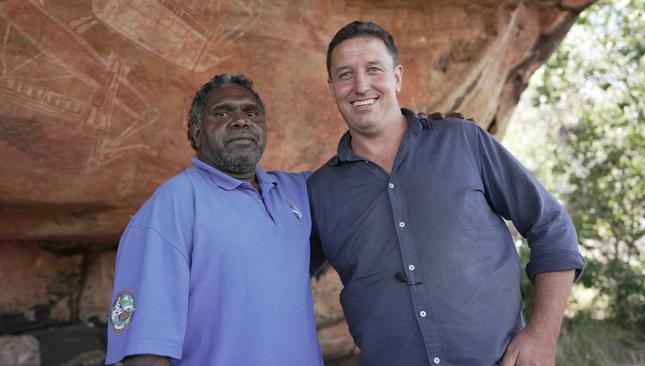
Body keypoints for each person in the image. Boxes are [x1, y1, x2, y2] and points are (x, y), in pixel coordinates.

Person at [308, 21, 585, 366]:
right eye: (345, 74)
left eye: (373, 69)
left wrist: (542, 336)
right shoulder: (319, 191)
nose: (361, 84)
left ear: (397, 77)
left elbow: (552, 228)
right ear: (332, 87)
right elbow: (276, 273)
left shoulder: (462, 141)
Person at [105, 74, 323, 366]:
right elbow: (145, 354)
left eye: (251, 112)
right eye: (222, 113)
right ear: (196, 134)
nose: (240, 120)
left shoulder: (296, 192)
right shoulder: (174, 204)